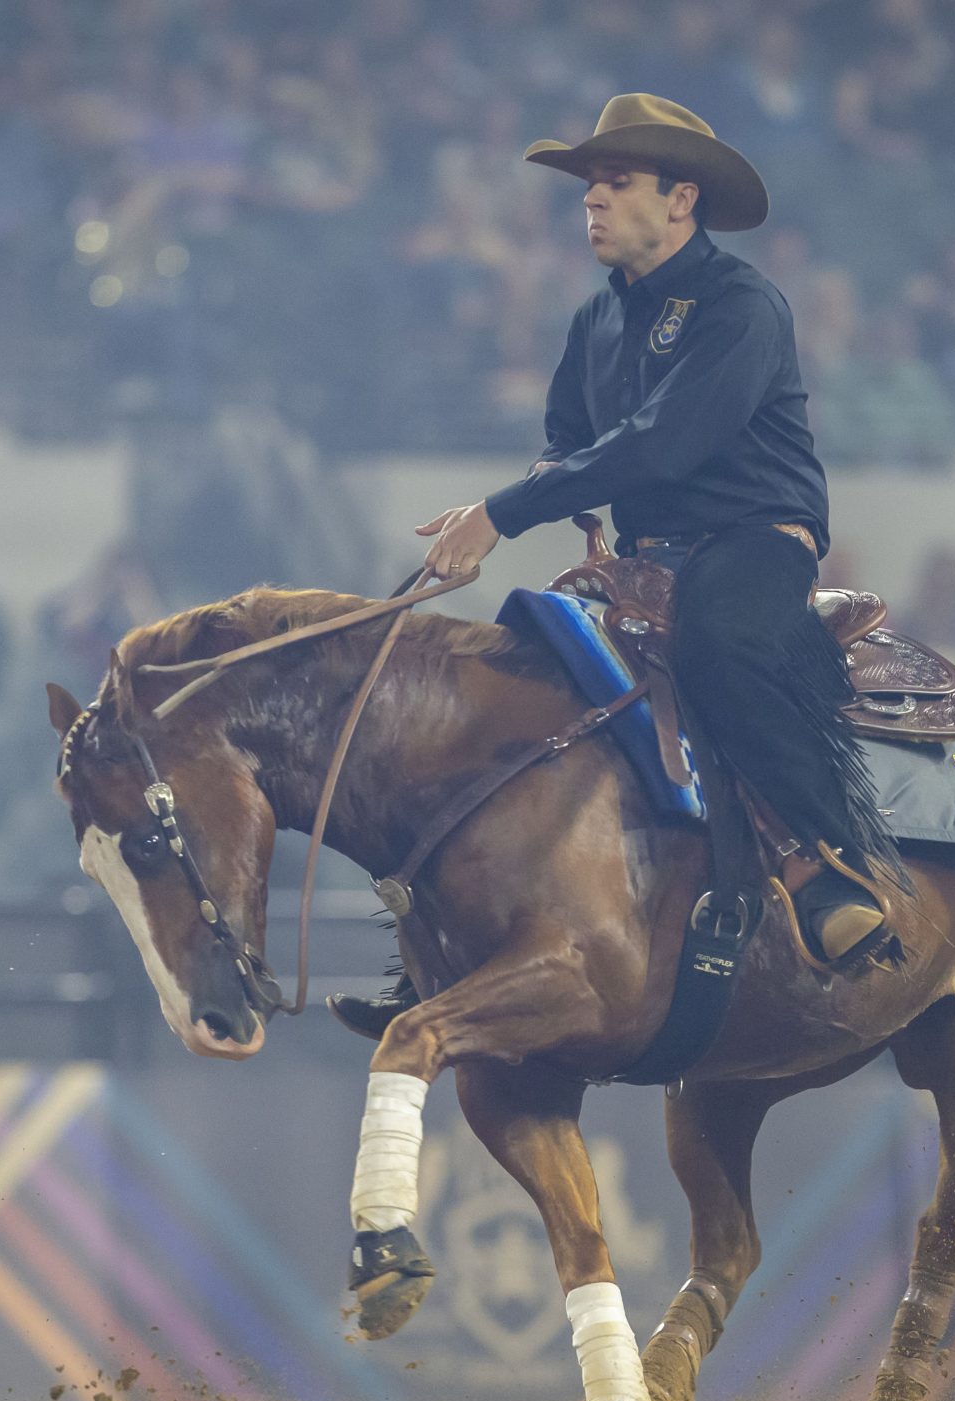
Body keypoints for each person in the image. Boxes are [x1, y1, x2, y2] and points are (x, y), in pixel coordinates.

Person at [381, 94, 900, 1035]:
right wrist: (540, 498)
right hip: (647, 555)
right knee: (525, 658)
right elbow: (568, 442)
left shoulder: (743, 305)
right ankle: (446, 941)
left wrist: (500, 512)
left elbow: (664, 445)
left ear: (681, 200)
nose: (593, 202)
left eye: (616, 184)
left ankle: (828, 865)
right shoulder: (596, 322)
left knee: (719, 640)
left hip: (753, 540)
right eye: (589, 188)